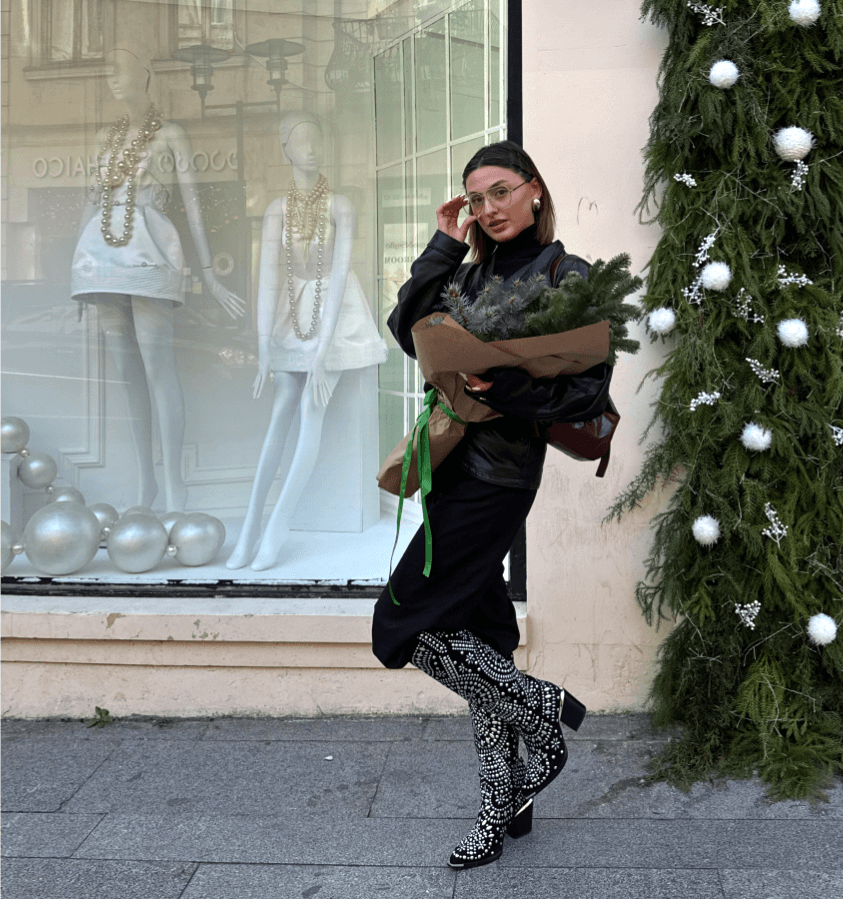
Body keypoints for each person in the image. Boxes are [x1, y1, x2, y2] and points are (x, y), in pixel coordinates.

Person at [371, 141, 614, 868]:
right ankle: (503, 804)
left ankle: (543, 714)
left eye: (501, 191)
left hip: (500, 476)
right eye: (476, 199)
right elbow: (406, 329)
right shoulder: (467, 272)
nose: (488, 208)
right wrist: (444, 244)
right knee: (481, 638)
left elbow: (585, 391)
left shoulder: (567, 276)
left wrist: (506, 387)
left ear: (534, 190)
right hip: (449, 466)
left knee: (401, 622)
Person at [71, 43, 244, 512]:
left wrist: (208, 274)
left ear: (145, 72)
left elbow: (193, 206)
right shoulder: (104, 139)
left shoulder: (170, 135)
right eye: (108, 69)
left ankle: (174, 486)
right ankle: (145, 483)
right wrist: (76, 275)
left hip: (150, 253)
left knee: (158, 370)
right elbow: (91, 202)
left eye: (121, 66)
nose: (112, 75)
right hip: (102, 260)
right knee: (127, 376)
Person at [225, 111, 387, 571]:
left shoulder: (340, 207)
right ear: (286, 151)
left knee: (309, 416)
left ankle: (275, 531)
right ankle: (250, 529)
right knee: (280, 412)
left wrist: (322, 350)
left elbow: (339, 273)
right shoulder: (276, 210)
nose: (311, 150)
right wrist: (263, 351)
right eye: (301, 142)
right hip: (291, 315)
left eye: (317, 141)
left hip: (335, 315)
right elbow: (267, 279)